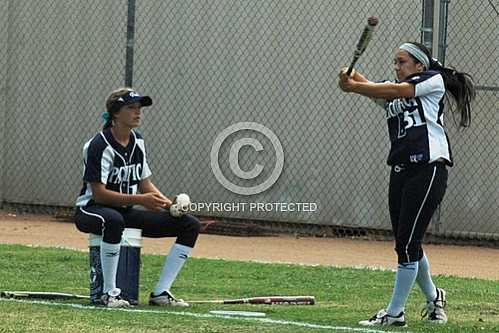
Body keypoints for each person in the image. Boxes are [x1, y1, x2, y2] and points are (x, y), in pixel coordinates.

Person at [338, 42, 475, 326]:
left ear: (419, 66)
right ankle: (434, 298)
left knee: (408, 243)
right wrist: (353, 78)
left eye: (402, 62)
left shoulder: (430, 81)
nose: (397, 67)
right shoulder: (396, 90)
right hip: (400, 170)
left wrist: (355, 86)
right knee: (407, 242)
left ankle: (395, 313)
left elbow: (397, 90)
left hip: (428, 169)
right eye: (395, 62)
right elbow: (382, 90)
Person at [74, 87, 201, 308]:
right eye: (131, 108)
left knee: (190, 225)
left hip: (124, 211)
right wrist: (141, 200)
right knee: (113, 220)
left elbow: (144, 183)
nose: (138, 112)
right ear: (115, 113)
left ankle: (161, 293)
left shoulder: (137, 141)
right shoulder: (99, 145)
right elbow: (99, 194)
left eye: (139, 108)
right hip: (91, 210)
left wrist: (168, 205)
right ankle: (109, 294)